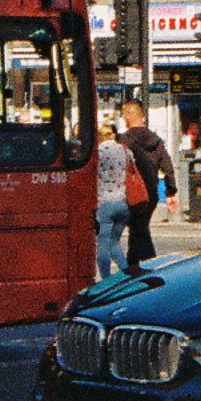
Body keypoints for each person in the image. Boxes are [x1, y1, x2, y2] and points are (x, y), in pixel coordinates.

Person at [118, 98, 174, 268]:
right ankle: (132, 268)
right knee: (138, 229)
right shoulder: (156, 140)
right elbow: (168, 166)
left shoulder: (124, 141)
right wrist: (171, 190)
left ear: (128, 116)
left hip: (132, 194)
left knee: (139, 230)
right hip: (152, 193)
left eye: (124, 114)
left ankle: (153, 266)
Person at [92, 115, 134, 280]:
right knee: (114, 241)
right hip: (123, 203)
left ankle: (106, 277)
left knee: (103, 243)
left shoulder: (98, 152)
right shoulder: (125, 150)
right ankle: (125, 273)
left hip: (105, 203)